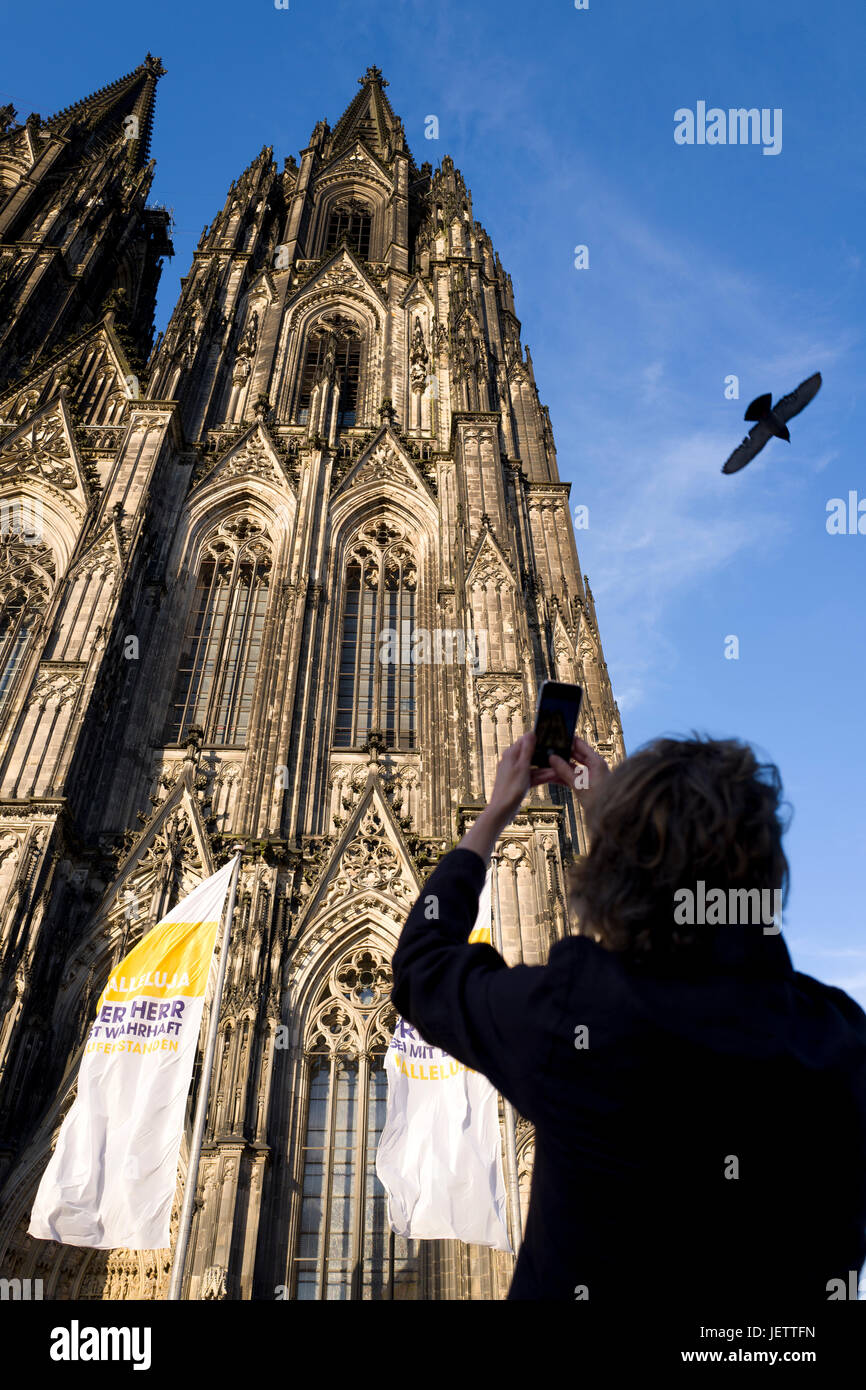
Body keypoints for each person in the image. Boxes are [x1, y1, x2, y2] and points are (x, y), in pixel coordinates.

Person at [390, 729, 866, 1304]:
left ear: (616, 876)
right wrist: (626, 839)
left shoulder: (585, 1017)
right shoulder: (840, 1042)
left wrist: (493, 818)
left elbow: (421, 966)